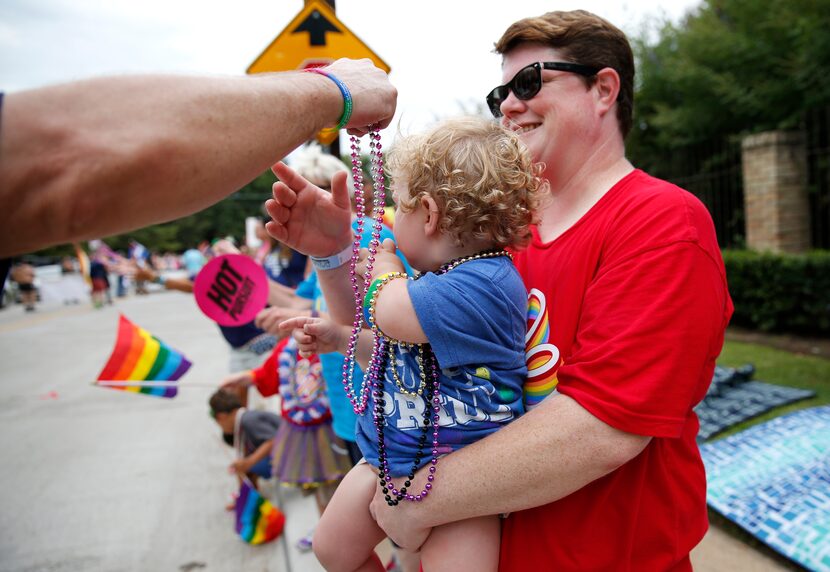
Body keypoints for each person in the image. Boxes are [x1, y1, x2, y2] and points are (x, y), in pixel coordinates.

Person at [265, 10, 734, 572]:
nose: (510, 105)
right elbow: (394, 346)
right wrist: (333, 253)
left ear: (604, 88)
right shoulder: (494, 237)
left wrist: (414, 499)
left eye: (529, 83)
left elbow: (603, 428)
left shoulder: (661, 223)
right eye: (500, 93)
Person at [277, 116, 540, 572]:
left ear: (429, 213)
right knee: (333, 548)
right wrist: (340, 337)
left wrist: (383, 269)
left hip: (464, 478)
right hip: (388, 456)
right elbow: (398, 351)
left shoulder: (487, 282)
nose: (392, 223)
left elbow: (393, 314)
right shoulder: (437, 281)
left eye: (398, 209)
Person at [0, 57, 397, 261]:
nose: (314, 195)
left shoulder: (381, 241)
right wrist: (332, 91)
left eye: (324, 185)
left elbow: (67, 161)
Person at [208, 388, 280, 508]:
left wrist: (248, 462)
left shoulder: (249, 420)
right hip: (286, 454)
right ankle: (248, 500)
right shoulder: (245, 418)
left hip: (294, 455)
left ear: (221, 416)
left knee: (245, 467)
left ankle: (248, 503)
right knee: (242, 465)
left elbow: (273, 440)